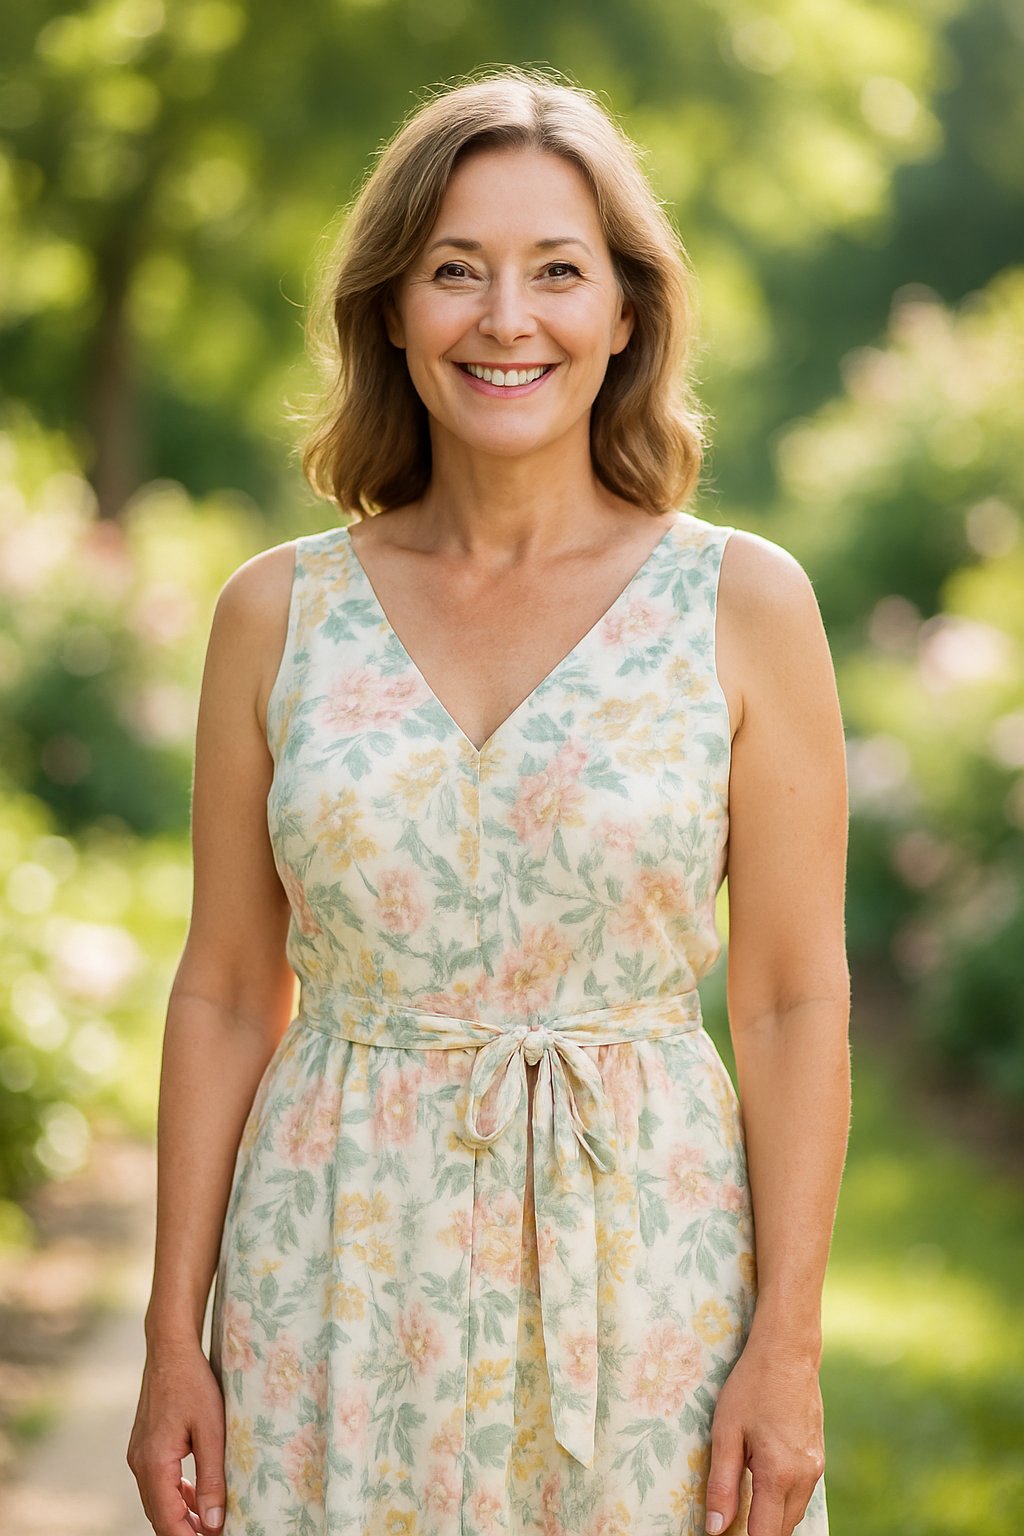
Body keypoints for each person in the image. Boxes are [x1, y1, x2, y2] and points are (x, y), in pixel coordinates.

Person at [128, 64, 850, 1536]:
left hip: (650, 1273)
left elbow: (790, 998)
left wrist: (787, 1344)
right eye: (456, 270)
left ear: (626, 313)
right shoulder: (276, 615)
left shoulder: (743, 602)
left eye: (557, 272)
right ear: (392, 309)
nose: (506, 318)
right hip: (329, 1270)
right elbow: (220, 988)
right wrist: (165, 1336)